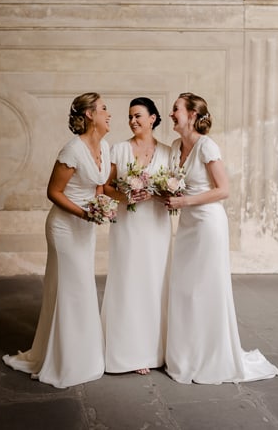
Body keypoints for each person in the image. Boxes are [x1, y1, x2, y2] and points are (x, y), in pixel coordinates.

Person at [162, 92, 278, 384]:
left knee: (205, 289)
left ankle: (210, 355)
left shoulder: (206, 146)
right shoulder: (177, 146)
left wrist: (184, 202)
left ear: (191, 115)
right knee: (184, 288)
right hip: (189, 226)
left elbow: (223, 190)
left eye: (175, 109)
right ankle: (187, 352)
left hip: (209, 225)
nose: (171, 113)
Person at [1, 92, 111, 388]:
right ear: (89, 115)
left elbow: (99, 186)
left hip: (86, 226)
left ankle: (84, 353)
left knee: (83, 286)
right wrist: (85, 213)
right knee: (70, 289)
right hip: (64, 226)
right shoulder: (72, 149)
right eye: (103, 108)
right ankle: (65, 360)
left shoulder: (105, 146)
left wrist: (99, 208)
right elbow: (54, 192)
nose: (108, 113)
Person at [101, 97, 171, 375]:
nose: (133, 121)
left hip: (157, 224)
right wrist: (126, 194)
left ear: (153, 117)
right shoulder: (118, 150)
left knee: (155, 281)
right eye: (130, 116)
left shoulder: (168, 152)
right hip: (128, 222)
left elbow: (174, 188)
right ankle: (130, 351)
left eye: (138, 115)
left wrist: (165, 192)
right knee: (130, 280)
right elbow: (105, 186)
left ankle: (157, 350)